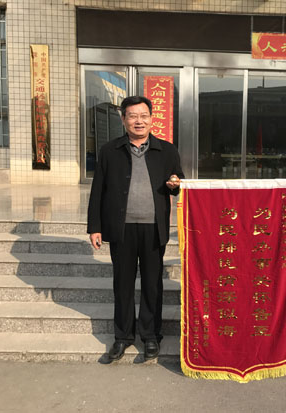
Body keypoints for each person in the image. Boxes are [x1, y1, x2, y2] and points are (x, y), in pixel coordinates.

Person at [88, 96, 184, 362]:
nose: (138, 121)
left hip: (154, 229)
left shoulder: (167, 150)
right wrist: (94, 227)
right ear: (123, 120)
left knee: (153, 284)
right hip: (122, 229)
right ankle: (122, 337)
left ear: (152, 119)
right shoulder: (110, 151)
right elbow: (98, 190)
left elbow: (179, 181)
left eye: (143, 116)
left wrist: (175, 183)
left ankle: (151, 336)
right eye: (132, 116)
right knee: (123, 284)